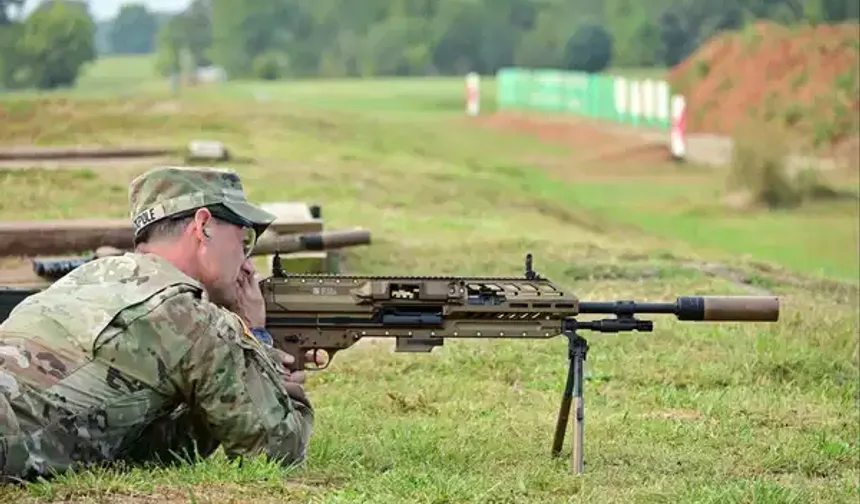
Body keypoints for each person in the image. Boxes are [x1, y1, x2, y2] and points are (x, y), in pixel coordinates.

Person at [0, 166, 314, 482]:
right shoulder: (187, 314)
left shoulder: (87, 277)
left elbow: (139, 445)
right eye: (244, 238)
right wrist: (259, 348)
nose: (247, 263)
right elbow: (275, 452)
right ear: (203, 225)